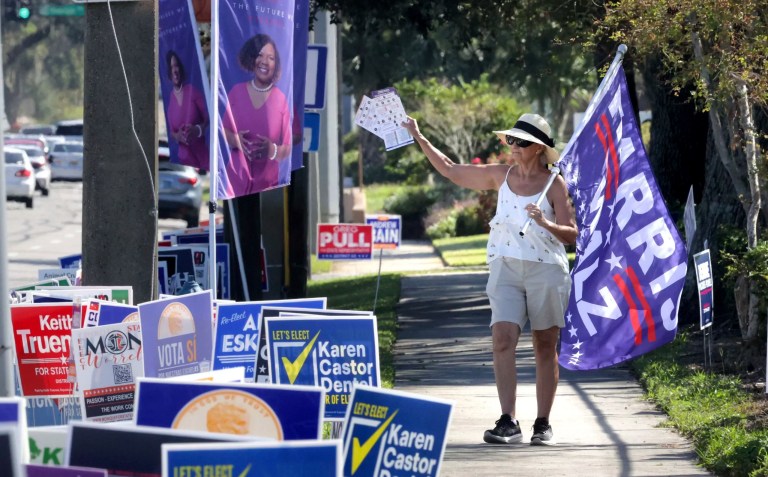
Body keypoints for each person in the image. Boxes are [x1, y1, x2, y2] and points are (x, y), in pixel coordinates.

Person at [402, 113, 577, 446]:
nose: (513, 146)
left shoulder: (555, 184)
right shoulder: (501, 175)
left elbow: (571, 234)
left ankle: (543, 423)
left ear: (538, 148)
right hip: (505, 267)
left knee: (544, 345)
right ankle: (508, 420)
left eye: (520, 141)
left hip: (546, 270)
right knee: (502, 339)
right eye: (511, 139)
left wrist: (545, 223)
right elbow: (450, 170)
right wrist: (418, 136)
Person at [222, 33, 291, 196]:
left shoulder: (281, 99)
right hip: (236, 183)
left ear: (276, 64)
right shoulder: (236, 93)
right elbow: (222, 131)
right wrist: (235, 140)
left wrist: (272, 150)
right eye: (260, 55)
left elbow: (287, 147)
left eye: (271, 58)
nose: (264, 61)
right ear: (252, 58)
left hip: (268, 186)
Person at [165, 50, 210, 170]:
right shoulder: (170, 99)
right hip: (184, 163)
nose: (174, 70)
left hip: (203, 161)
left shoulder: (192, 91)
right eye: (171, 67)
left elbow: (210, 119)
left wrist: (197, 130)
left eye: (176, 66)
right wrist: (178, 136)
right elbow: (172, 132)